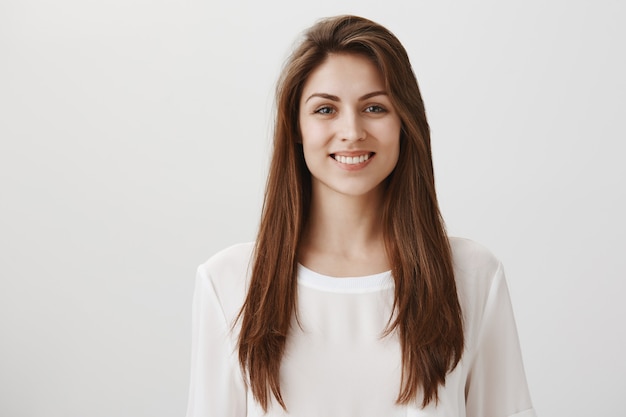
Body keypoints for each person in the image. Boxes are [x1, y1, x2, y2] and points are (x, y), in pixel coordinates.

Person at [185, 15, 536, 417]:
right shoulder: (228, 284)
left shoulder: (473, 276)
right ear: (296, 126)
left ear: (405, 121)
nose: (351, 131)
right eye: (325, 109)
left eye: (374, 107)